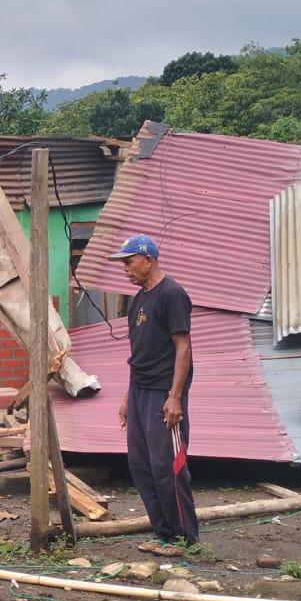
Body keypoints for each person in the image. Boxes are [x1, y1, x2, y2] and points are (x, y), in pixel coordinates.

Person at [109, 234, 197, 557]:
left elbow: (183, 347)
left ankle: (184, 537)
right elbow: (138, 355)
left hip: (164, 391)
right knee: (140, 464)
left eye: (129, 262)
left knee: (167, 466)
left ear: (148, 259)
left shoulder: (172, 295)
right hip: (140, 390)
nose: (126, 269)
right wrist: (126, 398)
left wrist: (175, 397)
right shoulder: (137, 301)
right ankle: (162, 532)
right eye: (124, 263)